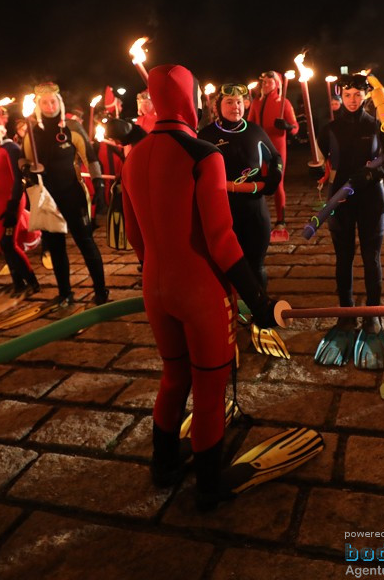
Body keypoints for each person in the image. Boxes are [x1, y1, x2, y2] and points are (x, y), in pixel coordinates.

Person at [121, 64, 293, 511]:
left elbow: (137, 239)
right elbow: (221, 240)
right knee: (210, 387)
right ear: (191, 98)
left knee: (173, 375)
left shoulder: (133, 156)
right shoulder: (203, 154)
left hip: (155, 287)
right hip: (198, 290)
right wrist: (258, 299)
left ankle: (162, 466)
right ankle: (210, 486)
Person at [313, 74, 384, 369]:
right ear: (340, 97)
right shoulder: (329, 127)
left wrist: (374, 174)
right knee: (343, 257)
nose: (353, 100)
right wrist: (317, 173)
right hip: (341, 200)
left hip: (371, 199)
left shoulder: (379, 124)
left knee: (371, 258)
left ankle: (373, 316)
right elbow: (322, 162)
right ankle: (346, 314)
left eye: (358, 95)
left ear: (366, 96)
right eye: (348, 95)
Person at [21, 82, 109, 306]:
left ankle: (101, 291)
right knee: (55, 246)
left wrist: (98, 184)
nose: (49, 106)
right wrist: (25, 170)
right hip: (48, 197)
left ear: (59, 102)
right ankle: (65, 293)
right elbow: (25, 159)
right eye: (44, 102)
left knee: (85, 241)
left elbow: (90, 157)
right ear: (38, 105)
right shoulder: (33, 130)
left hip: (72, 193)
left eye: (53, 101)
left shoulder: (71, 127)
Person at [198, 84, 283, 290]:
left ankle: (258, 317)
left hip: (254, 210)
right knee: (223, 268)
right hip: (222, 210)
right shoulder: (206, 135)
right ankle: (230, 316)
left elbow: (276, 158)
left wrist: (272, 180)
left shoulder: (254, 131)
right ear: (218, 107)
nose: (235, 106)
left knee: (256, 266)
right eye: (229, 102)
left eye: (239, 102)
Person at [0, 112, 40, 295]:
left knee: (8, 243)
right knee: (2, 244)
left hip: (8, 204)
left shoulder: (10, 149)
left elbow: (17, 179)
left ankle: (32, 281)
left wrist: (13, 205)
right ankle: (18, 282)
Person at [247, 71, 298, 243]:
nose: (266, 84)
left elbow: (296, 127)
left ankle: (280, 221)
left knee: (277, 182)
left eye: (270, 81)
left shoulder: (284, 103)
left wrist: (288, 126)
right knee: (257, 180)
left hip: (276, 147)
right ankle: (258, 217)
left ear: (277, 84)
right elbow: (250, 123)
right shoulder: (256, 102)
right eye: (264, 81)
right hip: (258, 147)